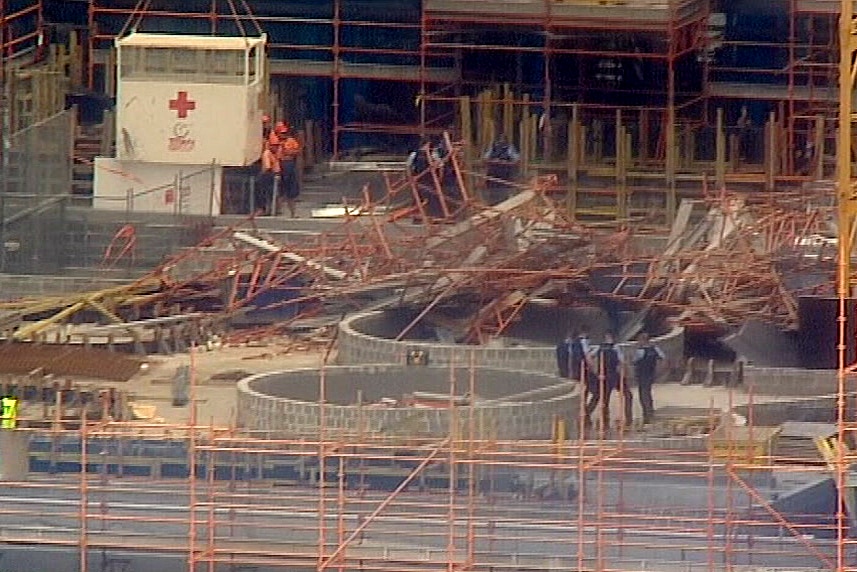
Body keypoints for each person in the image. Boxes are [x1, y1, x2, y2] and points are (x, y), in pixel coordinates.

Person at [586, 332, 632, 429]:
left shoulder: (599, 348)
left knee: (604, 399)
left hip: (603, 376)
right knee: (628, 395)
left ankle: (603, 420)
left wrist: (594, 370)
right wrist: (626, 373)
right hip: (614, 375)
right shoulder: (615, 348)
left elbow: (589, 357)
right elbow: (622, 362)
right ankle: (628, 419)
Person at [633, 332, 665, 425]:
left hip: (642, 374)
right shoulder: (655, 348)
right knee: (648, 392)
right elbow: (663, 357)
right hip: (651, 373)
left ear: (643, 340)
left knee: (643, 394)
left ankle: (647, 415)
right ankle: (650, 411)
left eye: (639, 340)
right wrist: (660, 370)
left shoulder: (640, 351)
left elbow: (634, 361)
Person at [274, 122, 303, 218]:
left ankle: (293, 213)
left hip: (289, 165)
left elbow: (297, 150)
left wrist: (289, 152)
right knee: (279, 190)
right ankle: (276, 211)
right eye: (281, 133)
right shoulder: (274, 141)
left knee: (291, 191)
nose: (283, 134)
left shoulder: (290, 140)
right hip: (279, 165)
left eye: (284, 132)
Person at [483, 133, 520, 205]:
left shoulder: (510, 148)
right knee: (492, 196)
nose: (500, 142)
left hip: (504, 175)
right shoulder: (493, 147)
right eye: (499, 140)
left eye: (502, 140)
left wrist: (504, 162)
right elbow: (485, 160)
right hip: (492, 175)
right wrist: (493, 161)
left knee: (503, 196)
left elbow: (517, 162)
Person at [256, 138, 280, 215]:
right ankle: (263, 209)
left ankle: (272, 209)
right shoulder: (267, 153)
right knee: (263, 192)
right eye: (274, 146)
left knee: (272, 193)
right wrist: (262, 174)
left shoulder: (275, 153)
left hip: (273, 174)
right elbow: (267, 167)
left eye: (277, 145)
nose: (276, 147)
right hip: (267, 174)